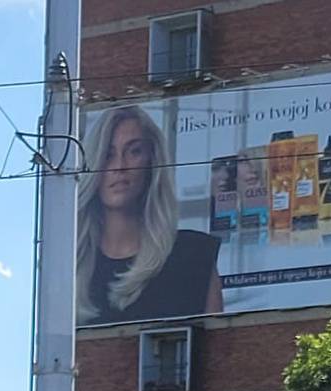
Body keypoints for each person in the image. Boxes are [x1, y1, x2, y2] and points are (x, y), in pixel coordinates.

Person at [78, 104, 224, 325]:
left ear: (153, 162)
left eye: (134, 151)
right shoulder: (71, 268)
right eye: (108, 155)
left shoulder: (194, 254)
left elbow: (219, 350)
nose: (120, 166)